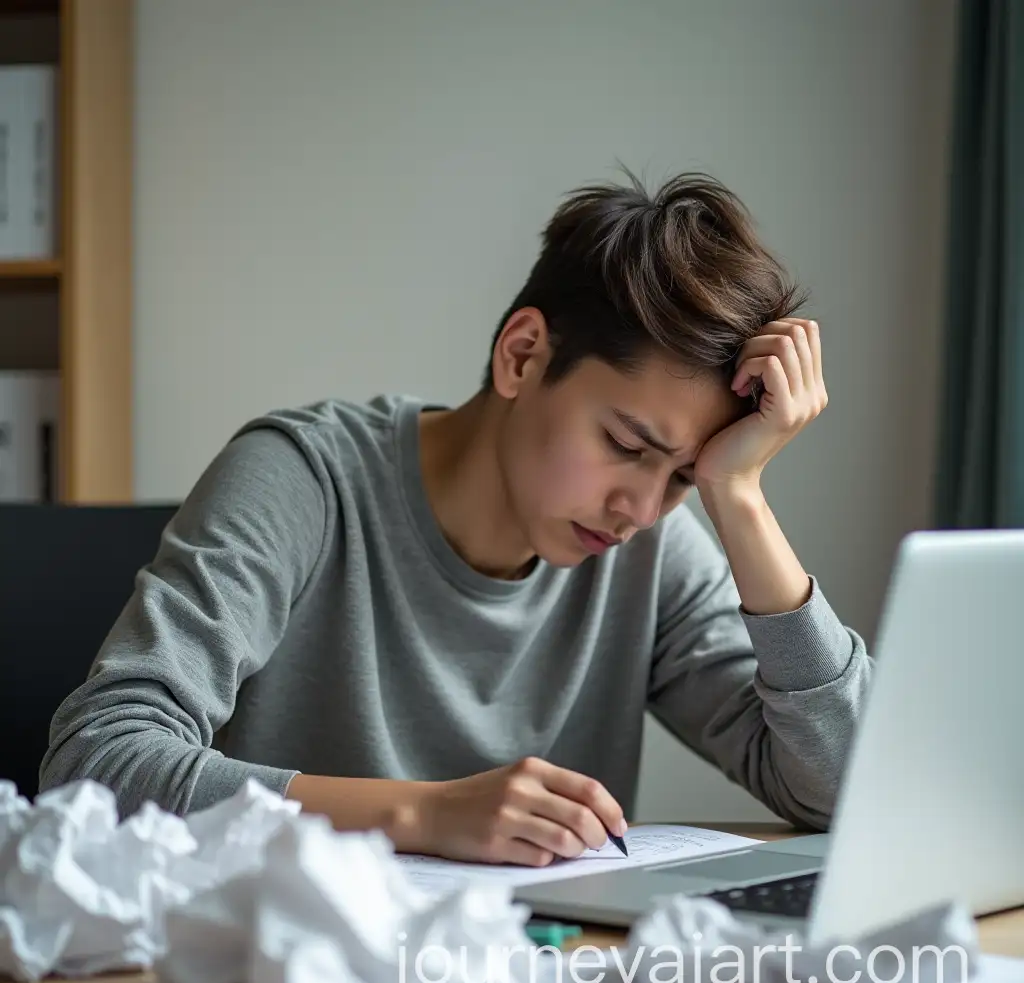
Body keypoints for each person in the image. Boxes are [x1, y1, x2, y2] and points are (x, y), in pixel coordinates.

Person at [39, 169, 872, 867]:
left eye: (686, 477)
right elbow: (95, 761)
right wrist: (422, 814)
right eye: (626, 444)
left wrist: (740, 496)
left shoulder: (652, 545)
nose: (642, 508)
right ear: (522, 355)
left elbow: (848, 791)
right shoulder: (302, 480)